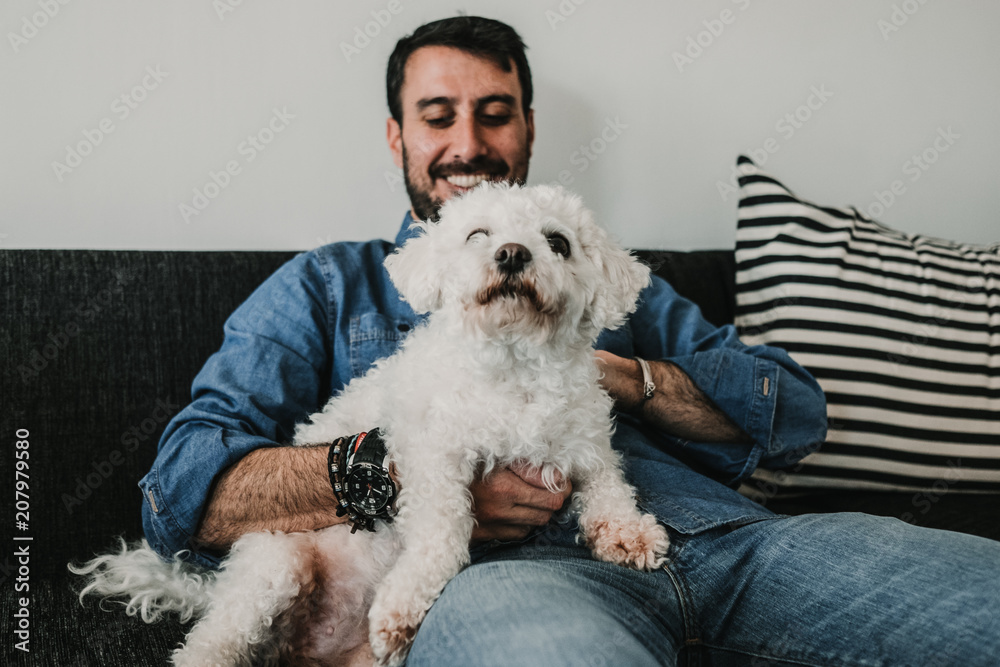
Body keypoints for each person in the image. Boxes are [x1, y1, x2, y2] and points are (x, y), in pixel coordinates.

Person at [140, 16, 1000, 666]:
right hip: (506, 575)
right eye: (437, 116)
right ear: (398, 135)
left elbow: (795, 410)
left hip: (729, 540)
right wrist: (412, 474)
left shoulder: (592, 267)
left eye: (495, 113)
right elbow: (183, 490)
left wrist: (620, 377)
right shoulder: (328, 285)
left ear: (530, 129)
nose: (468, 143)